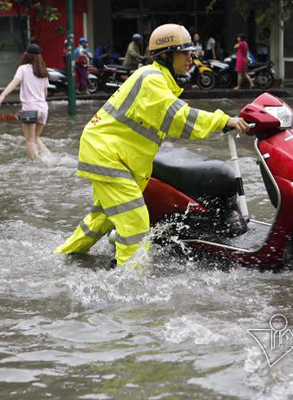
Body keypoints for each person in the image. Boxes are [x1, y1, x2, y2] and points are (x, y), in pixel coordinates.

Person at [55, 23, 249, 269]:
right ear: (166, 55)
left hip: (109, 154)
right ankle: (129, 283)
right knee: (135, 223)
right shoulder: (152, 80)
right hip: (107, 155)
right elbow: (179, 119)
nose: (191, 57)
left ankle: (64, 257)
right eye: (184, 53)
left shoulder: (158, 80)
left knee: (101, 218)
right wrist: (223, 121)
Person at [0, 44, 50, 161]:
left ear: (26, 55)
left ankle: (36, 164)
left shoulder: (23, 69)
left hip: (30, 109)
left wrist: (2, 96)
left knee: (29, 140)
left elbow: (14, 83)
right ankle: (48, 158)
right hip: (43, 109)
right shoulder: (43, 71)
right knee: (36, 137)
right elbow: (45, 93)